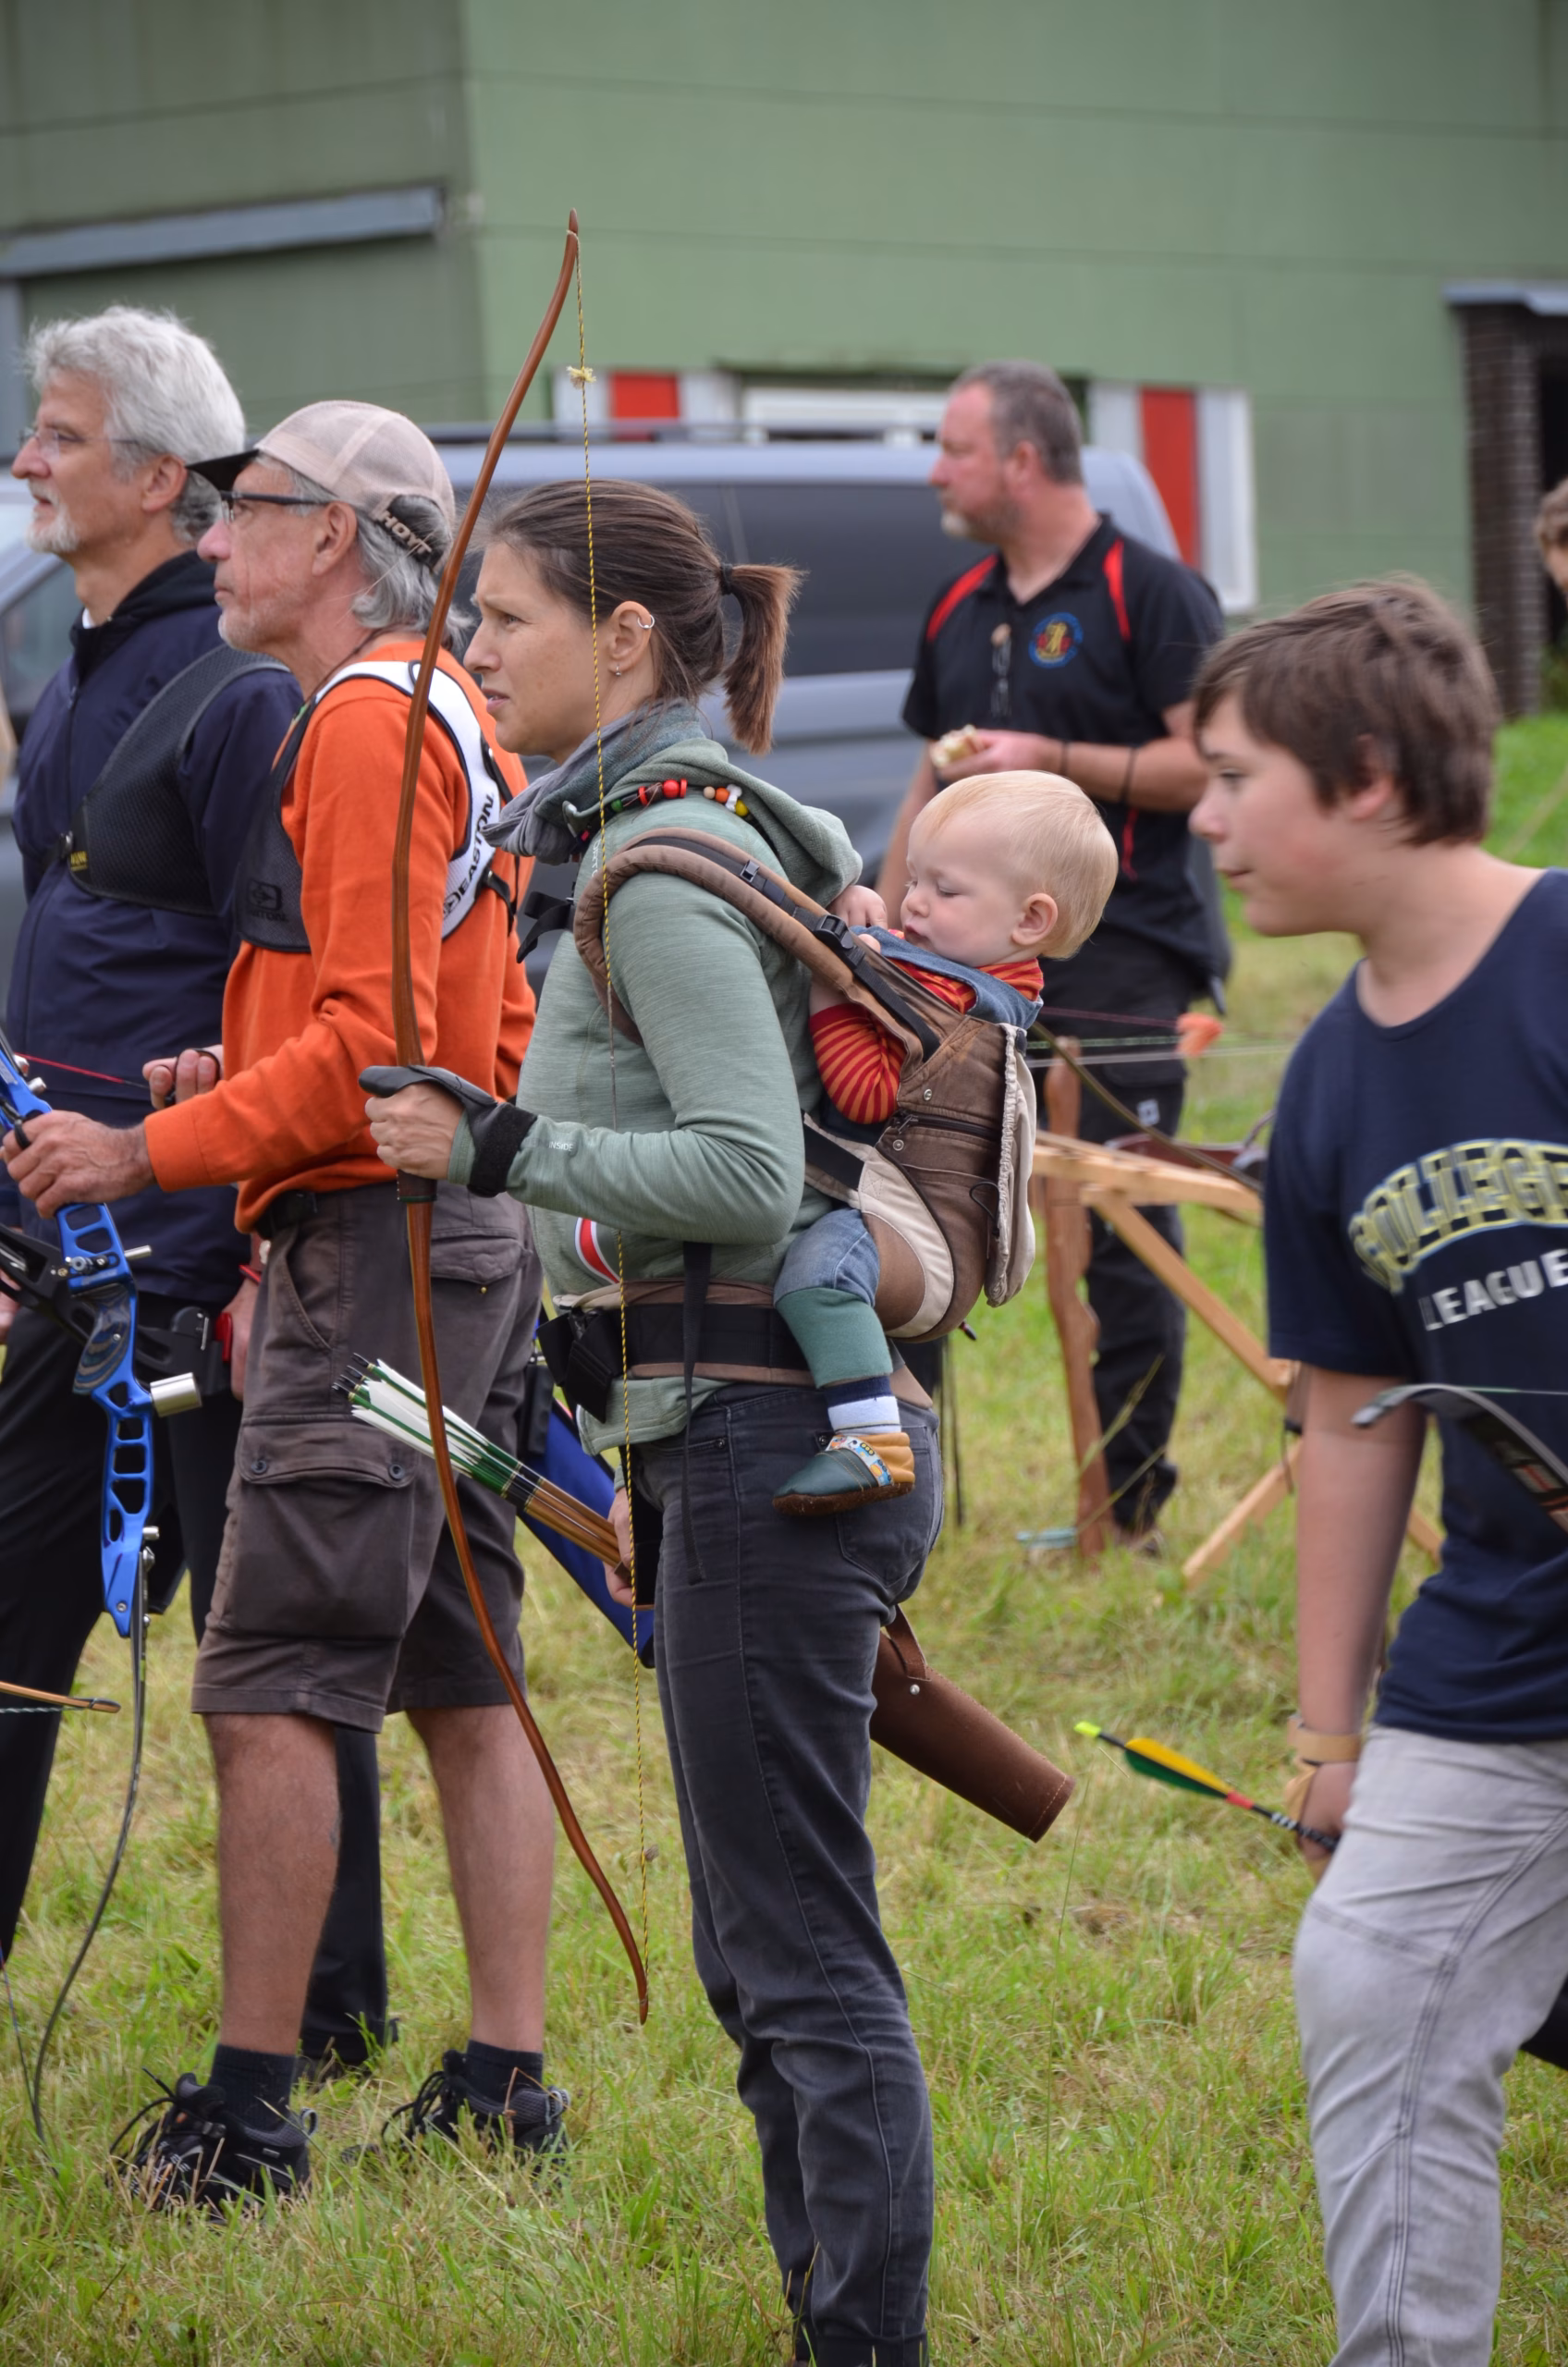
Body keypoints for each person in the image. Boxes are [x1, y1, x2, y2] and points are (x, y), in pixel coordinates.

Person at [368, 478, 940, 2367]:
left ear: (626, 641)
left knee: (793, 1949)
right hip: (723, 1434)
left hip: (768, 1453)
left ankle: (856, 2342)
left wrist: (503, 1142)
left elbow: (744, 1164)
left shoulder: (658, 861)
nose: (476, 650)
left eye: (507, 617)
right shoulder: (652, 836)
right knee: (759, 1941)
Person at [3, 401, 548, 2207]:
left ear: (338, 537)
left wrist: (150, 1140)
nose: (216, 543)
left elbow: (372, 1058)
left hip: (378, 1266)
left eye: (248, 512)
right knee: (456, 1673)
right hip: (444, 1247)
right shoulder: (437, 709)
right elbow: (458, 1030)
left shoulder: (369, 720)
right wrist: (233, 1071)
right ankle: (503, 2073)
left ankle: (248, 2116)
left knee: (262, 1683)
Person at [0, 308, 390, 2073]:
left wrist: (222, 1242)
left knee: (276, 1654)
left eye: (59, 436)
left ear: (159, 476)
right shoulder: (77, 662)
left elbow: (298, 990)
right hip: (64, 1238)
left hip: (189, 1263)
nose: (28, 463)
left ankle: (331, 2015)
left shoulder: (233, 695)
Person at [1190, 578, 1568, 2367]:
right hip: (1500, 1637)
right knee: (1367, 1972)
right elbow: (1349, 1414)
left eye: (1228, 777)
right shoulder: (1334, 1079)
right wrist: (1328, 1737)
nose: (1201, 822)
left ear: (1358, 776)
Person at [881, 360, 1224, 1544]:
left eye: (956, 448)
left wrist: (1053, 753)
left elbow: (1202, 766)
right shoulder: (957, 602)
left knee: (1122, 1231)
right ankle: (902, 1489)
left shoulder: (1152, 590)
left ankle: (1122, 1510)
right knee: (927, 1205)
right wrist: (883, 919)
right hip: (957, 970)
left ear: (1023, 461)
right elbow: (928, 773)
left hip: (1124, 956)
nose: (937, 469)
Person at [773, 769, 1116, 1515]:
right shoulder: (964, 975)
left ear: (1029, 920)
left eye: (946, 891)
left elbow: (863, 1094)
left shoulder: (953, 1009)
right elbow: (888, 947)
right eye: (916, 879)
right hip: (910, 1222)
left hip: (919, 1237)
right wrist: (863, 922)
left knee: (818, 1276)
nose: (916, 902)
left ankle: (869, 1439)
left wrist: (835, 987)